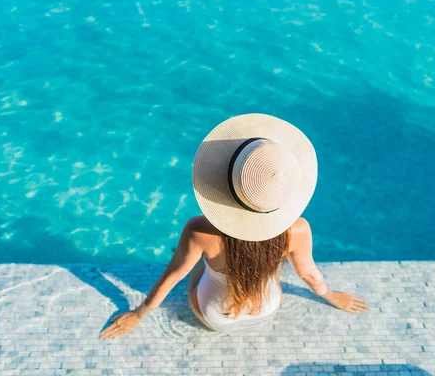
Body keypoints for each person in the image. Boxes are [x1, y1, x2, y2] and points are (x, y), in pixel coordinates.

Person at [100, 114, 369, 340]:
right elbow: (310, 275)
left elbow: (172, 277)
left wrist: (139, 313)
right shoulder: (298, 230)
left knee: (192, 263)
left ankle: (197, 257)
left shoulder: (200, 231)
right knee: (262, 262)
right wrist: (333, 296)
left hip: (213, 316)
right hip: (267, 308)